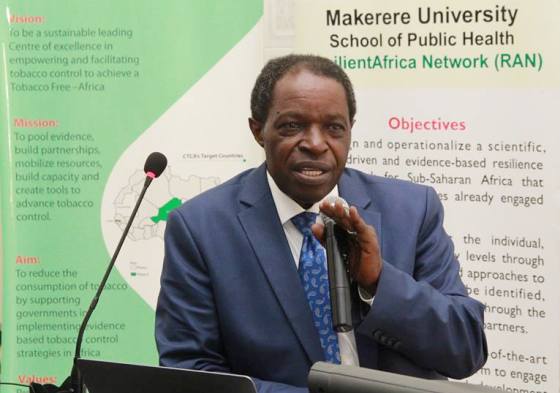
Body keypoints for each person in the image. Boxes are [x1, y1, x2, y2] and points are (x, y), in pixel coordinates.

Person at [155, 54, 487, 393]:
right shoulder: (200, 228)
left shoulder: (413, 209)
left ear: (350, 130)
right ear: (258, 130)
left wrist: (378, 282)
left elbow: (466, 350)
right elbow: (191, 372)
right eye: (292, 126)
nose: (315, 144)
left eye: (333, 128)